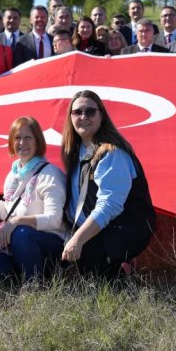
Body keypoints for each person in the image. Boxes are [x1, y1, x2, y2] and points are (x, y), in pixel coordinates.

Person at [61, 90, 156, 278]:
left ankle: (122, 272)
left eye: (90, 111)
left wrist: (77, 240)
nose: (83, 117)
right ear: (70, 117)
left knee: (93, 279)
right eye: (77, 112)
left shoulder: (112, 154)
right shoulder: (76, 152)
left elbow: (109, 206)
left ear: (101, 115)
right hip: (97, 230)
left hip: (121, 229)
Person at [0, 116, 68, 282]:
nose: (22, 143)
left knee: (21, 233)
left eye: (28, 138)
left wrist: (19, 221)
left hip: (52, 245)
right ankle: (21, 280)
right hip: (18, 245)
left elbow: (54, 220)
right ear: (11, 142)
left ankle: (35, 286)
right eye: (17, 138)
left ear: (38, 141)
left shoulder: (51, 174)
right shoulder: (12, 175)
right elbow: (9, 212)